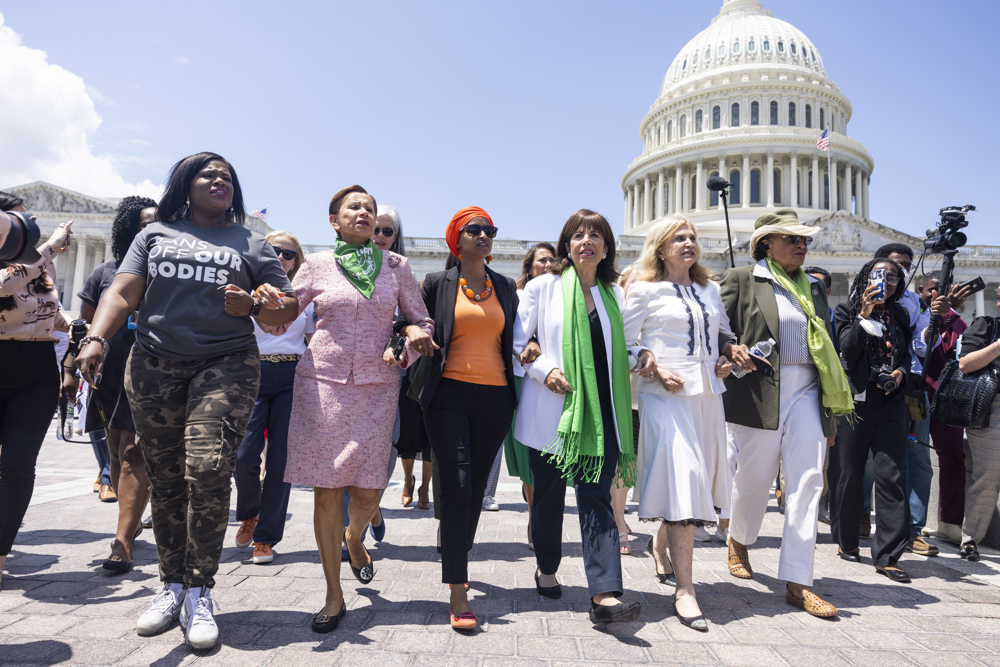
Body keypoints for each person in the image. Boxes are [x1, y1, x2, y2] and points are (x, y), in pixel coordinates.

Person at [76, 152, 297, 649]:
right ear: (185, 184)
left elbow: (286, 309)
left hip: (226, 364)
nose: (219, 181)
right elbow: (122, 292)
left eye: (227, 177)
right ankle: (171, 585)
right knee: (167, 473)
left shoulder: (252, 242)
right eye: (208, 174)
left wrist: (256, 304)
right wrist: (95, 339)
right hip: (154, 364)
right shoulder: (152, 236)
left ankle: (201, 588)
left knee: (210, 466)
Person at [278, 185, 434, 634]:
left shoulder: (396, 266)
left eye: (370, 207)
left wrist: (407, 343)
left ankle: (354, 537)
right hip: (322, 384)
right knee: (327, 489)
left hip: (377, 386)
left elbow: (420, 320)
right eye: (355, 207)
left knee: (367, 490)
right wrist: (263, 304)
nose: (364, 213)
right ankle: (333, 593)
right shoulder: (316, 266)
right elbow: (286, 314)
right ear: (335, 220)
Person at [514, 209, 655, 625]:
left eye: (596, 235)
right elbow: (518, 346)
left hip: (602, 417)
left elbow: (625, 347)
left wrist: (641, 354)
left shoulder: (616, 295)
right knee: (549, 498)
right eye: (578, 235)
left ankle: (605, 593)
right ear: (567, 246)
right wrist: (545, 371)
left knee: (596, 500)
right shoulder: (543, 287)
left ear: (607, 247)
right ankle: (547, 566)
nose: (587, 241)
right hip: (554, 414)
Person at [721, 209, 852, 618]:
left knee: (809, 481)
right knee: (755, 479)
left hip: (808, 390)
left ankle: (799, 582)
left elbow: (824, 340)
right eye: (792, 239)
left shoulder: (812, 286)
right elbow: (719, 327)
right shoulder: (743, 279)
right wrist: (730, 348)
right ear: (766, 244)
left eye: (805, 240)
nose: (802, 245)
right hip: (760, 390)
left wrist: (830, 407)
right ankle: (739, 540)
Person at [622, 216, 734, 632]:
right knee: (684, 480)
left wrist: (726, 355)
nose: (688, 243)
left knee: (695, 483)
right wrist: (650, 365)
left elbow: (722, 333)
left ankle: (662, 543)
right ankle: (686, 590)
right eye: (678, 238)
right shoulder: (644, 290)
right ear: (660, 247)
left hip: (707, 397)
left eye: (692, 237)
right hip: (665, 396)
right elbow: (627, 345)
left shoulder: (709, 288)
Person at [411, 206, 518, 631]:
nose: (484, 235)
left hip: (495, 397)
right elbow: (409, 320)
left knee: (474, 491)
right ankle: (458, 586)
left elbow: (518, 335)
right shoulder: (437, 283)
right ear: (457, 238)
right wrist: (408, 335)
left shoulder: (506, 286)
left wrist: (528, 350)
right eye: (475, 229)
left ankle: (453, 543)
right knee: (455, 485)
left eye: (489, 230)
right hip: (448, 393)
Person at [62, 196, 158, 572]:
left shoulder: (171, 271)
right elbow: (84, 327)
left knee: (135, 451)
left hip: (152, 367)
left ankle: (124, 537)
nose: (152, 229)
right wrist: (69, 368)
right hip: (111, 369)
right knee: (116, 451)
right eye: (144, 223)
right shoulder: (107, 271)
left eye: (158, 223)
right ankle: (127, 519)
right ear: (128, 230)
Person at [0, 192, 72, 586]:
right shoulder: (38, 259)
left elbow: (49, 314)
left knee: (17, 465)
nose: (28, 229)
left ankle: (0, 553)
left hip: (35, 370)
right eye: (17, 222)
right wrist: (46, 249)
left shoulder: (41, 267)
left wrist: (85, 331)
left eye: (31, 221)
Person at [234, 231, 315, 565]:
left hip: (292, 376)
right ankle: (250, 513)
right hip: (252, 372)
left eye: (289, 253)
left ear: (297, 260)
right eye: (275, 251)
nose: (282, 257)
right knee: (243, 455)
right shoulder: (246, 291)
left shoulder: (303, 296)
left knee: (281, 460)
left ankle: (265, 538)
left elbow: (313, 341)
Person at [830, 257, 913, 582]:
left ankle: (889, 554)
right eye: (881, 276)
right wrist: (864, 314)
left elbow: (906, 354)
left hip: (891, 401)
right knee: (849, 473)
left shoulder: (901, 314)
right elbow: (848, 354)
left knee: (891, 473)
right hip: (856, 400)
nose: (887, 282)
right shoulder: (846, 311)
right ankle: (847, 541)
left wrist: (901, 372)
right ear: (866, 277)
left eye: (893, 278)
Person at [873, 243, 933, 553]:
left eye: (905, 267)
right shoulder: (863, 299)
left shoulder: (918, 304)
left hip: (911, 388)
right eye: (892, 267)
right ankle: (858, 520)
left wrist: (940, 317)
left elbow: (924, 347)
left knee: (918, 456)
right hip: (874, 390)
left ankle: (913, 529)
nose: (900, 273)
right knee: (874, 461)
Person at [376, 205, 431, 511]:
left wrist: (401, 345)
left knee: (388, 444)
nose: (379, 236)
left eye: (387, 231)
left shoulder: (401, 268)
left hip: (394, 369)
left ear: (396, 236)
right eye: (375, 229)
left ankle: (370, 507)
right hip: (347, 372)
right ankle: (353, 523)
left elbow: (417, 320)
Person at [503, 242, 556, 550]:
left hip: (553, 381)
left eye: (552, 260)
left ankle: (537, 513)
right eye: (541, 260)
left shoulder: (562, 294)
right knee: (529, 453)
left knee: (543, 454)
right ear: (529, 266)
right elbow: (516, 333)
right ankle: (535, 517)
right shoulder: (520, 294)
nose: (548, 265)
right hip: (523, 379)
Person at [916, 273, 968, 548]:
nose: (940, 296)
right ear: (921, 290)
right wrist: (945, 314)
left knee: (953, 458)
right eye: (934, 290)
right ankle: (912, 522)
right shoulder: (914, 314)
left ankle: (949, 522)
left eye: (945, 291)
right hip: (917, 394)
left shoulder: (961, 323)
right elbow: (923, 347)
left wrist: (951, 315)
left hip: (947, 399)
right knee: (913, 457)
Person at [954, 284, 1000, 563]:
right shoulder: (987, 326)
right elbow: (965, 365)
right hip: (992, 408)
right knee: (988, 475)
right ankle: (970, 539)